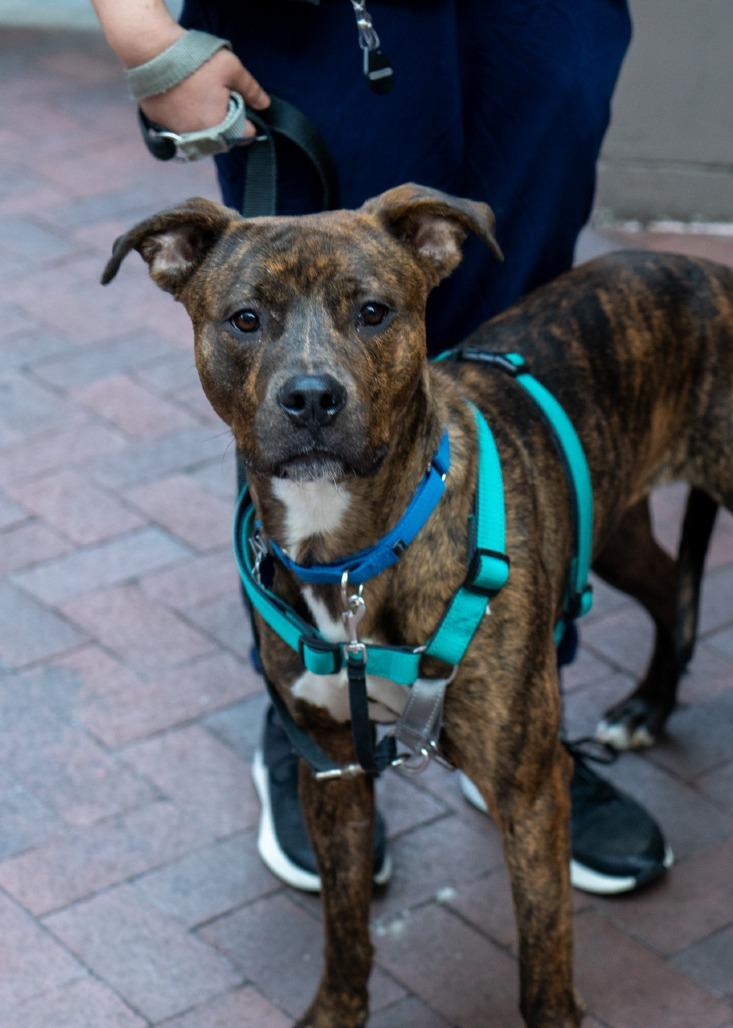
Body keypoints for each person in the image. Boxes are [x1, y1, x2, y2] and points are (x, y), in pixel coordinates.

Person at [92, 0, 671, 895]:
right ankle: (311, 709)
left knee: (502, 318)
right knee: (290, 347)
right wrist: (138, 28)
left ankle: (514, 709)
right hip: (325, 21)